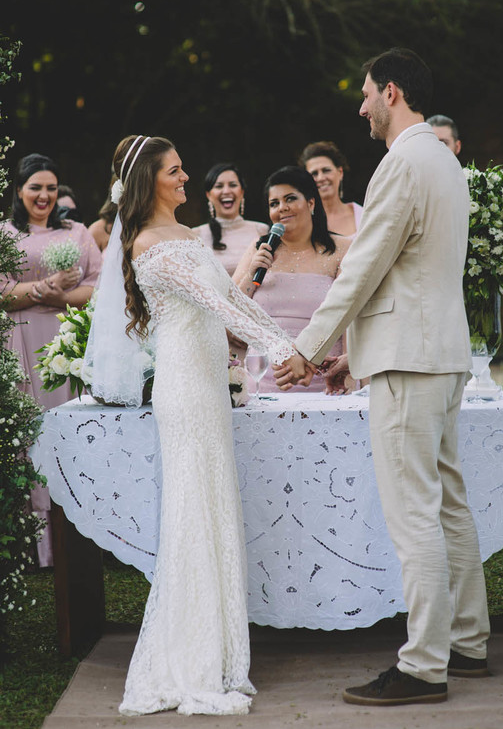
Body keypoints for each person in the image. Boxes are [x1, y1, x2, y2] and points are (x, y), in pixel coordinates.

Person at [275, 48, 490, 707]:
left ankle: (424, 665)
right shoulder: (444, 161)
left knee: (414, 511)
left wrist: (309, 348)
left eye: (366, 93)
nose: (361, 105)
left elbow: (364, 267)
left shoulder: (402, 163)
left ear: (391, 92)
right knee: (447, 500)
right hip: (440, 351)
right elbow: (412, 271)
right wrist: (355, 350)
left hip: (410, 359)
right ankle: (468, 640)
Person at [90, 135, 297, 716]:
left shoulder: (184, 234)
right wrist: (283, 350)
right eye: (175, 171)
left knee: (213, 507)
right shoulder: (149, 242)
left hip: (208, 382)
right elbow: (220, 307)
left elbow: (232, 300)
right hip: (185, 388)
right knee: (194, 513)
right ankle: (192, 658)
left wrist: (286, 336)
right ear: (149, 181)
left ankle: (222, 650)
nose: (186, 178)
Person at [1, 153, 102, 566]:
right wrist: (44, 286)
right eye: (35, 188)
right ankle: (35, 545)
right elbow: (2, 292)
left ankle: (79, 540)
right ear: (19, 191)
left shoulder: (77, 232)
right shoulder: (5, 234)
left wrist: (61, 297)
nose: (44, 196)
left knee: (70, 432)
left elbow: (98, 286)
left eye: (51, 188)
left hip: (67, 344)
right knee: (30, 437)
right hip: (22, 340)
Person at [231, 166, 350, 393]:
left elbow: (350, 316)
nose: (282, 208)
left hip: (324, 379)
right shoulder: (258, 249)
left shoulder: (342, 249)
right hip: (262, 378)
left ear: (311, 203)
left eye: (290, 199)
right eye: (274, 203)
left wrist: (348, 373)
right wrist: (251, 273)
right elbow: (231, 312)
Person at [193, 163, 269, 276]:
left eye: (233, 185)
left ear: (242, 192)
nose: (226, 191)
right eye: (219, 186)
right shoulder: (195, 235)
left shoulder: (261, 230)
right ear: (208, 195)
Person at [299, 141, 364, 238]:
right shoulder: (304, 222)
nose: (321, 178)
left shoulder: (363, 214)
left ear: (340, 172)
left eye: (326, 170)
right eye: (314, 174)